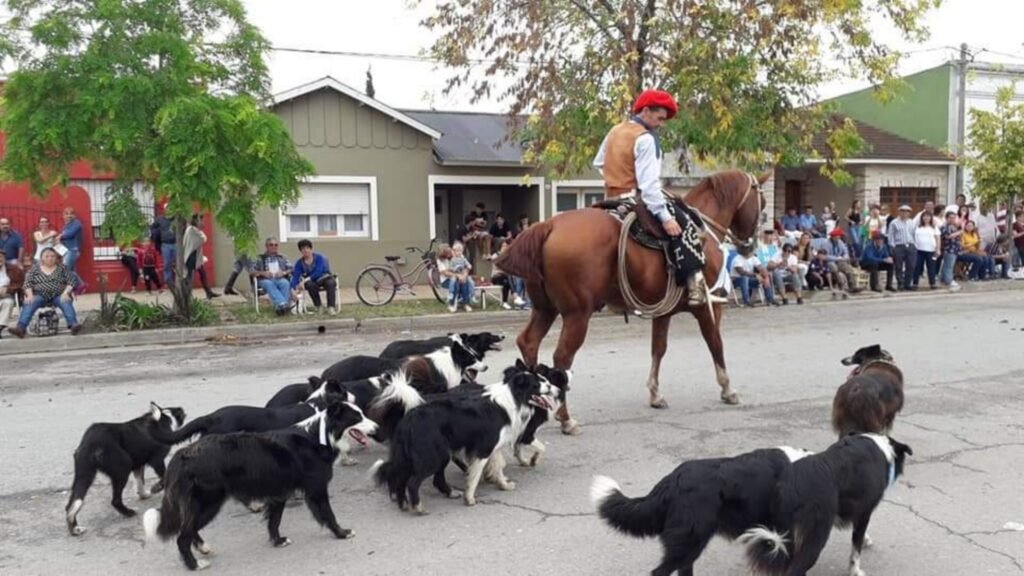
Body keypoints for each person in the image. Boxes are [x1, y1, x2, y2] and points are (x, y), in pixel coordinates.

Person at [592, 88, 723, 306]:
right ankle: (695, 287)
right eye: (660, 117)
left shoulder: (615, 130)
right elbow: (650, 186)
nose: (661, 123)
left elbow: (598, 163)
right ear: (645, 111)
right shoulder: (645, 139)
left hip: (610, 197)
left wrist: (617, 175)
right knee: (687, 224)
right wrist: (665, 217)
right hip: (635, 198)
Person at [6, 247, 82, 338]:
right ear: (41, 258)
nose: (50, 258)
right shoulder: (35, 269)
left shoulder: (62, 268)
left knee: (65, 301)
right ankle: (21, 328)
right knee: (30, 302)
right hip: (39, 295)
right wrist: (29, 294)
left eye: (52, 256)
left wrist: (66, 292)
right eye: (47, 256)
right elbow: (27, 284)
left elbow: (71, 282)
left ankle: (73, 325)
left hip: (58, 295)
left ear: (56, 258)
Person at [290, 239, 338, 314]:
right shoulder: (299, 263)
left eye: (307, 248)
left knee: (331, 283)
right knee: (309, 285)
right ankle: (319, 306)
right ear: (300, 251)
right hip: (313, 282)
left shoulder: (319, 258)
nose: (305, 250)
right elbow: (296, 276)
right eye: (303, 249)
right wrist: (292, 289)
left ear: (311, 249)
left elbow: (319, 272)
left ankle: (331, 307)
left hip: (324, 277)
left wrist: (305, 280)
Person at [253, 237, 295, 315]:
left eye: (276, 245)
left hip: (278, 278)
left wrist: (283, 273)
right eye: (271, 245)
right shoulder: (259, 258)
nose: (274, 247)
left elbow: (292, 269)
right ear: (266, 246)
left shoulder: (282, 257)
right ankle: (283, 304)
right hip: (264, 280)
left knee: (285, 283)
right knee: (269, 284)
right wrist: (263, 273)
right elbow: (252, 271)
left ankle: (280, 309)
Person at [182, 214, 220, 299]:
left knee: (202, 274)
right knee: (189, 277)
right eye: (201, 220)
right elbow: (202, 239)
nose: (202, 222)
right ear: (196, 221)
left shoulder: (194, 230)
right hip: (191, 257)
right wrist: (202, 234)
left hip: (196, 257)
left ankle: (208, 292)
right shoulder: (191, 230)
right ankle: (186, 296)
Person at [437, 243, 475, 313]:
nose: (450, 255)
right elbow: (445, 273)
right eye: (447, 254)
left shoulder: (457, 254)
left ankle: (466, 303)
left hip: (460, 276)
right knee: (456, 284)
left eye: (450, 252)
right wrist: (458, 276)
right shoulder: (440, 260)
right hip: (446, 280)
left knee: (465, 282)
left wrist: (464, 275)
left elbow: (466, 266)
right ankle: (451, 304)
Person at [886, 205, 916, 290]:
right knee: (898, 266)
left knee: (911, 265)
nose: (904, 213)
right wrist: (892, 247)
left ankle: (907, 283)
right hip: (899, 246)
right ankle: (900, 283)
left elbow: (914, 234)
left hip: (910, 245)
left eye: (907, 212)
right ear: (899, 212)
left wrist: (914, 245)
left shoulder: (912, 222)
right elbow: (890, 236)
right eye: (902, 211)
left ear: (909, 213)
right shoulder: (894, 222)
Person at [912, 210, 940, 289]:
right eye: (924, 216)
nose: (926, 218)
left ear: (931, 218)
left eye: (928, 216)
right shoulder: (918, 227)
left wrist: (938, 249)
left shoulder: (934, 227)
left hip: (931, 250)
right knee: (917, 267)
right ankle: (915, 283)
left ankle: (932, 283)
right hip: (919, 250)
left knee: (931, 267)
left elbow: (937, 238)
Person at [0, 249, 24, 338]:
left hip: (6, 295)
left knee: (8, 302)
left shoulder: (13, 269)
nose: (0, 259)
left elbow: (20, 283)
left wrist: (8, 289)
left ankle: (0, 326)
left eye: (1, 257)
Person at [59, 207, 84, 292]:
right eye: (66, 213)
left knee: (65, 269)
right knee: (71, 270)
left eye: (71, 213)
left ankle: (80, 285)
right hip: (66, 251)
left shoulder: (77, 223)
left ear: (75, 215)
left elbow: (70, 234)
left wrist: (61, 236)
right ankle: (76, 287)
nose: (69, 215)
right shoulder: (65, 226)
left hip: (73, 250)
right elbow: (63, 238)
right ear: (63, 215)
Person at [150, 212, 177, 286]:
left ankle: (178, 281)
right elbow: (152, 227)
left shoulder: (176, 218)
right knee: (167, 263)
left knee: (178, 263)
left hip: (176, 243)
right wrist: (155, 235)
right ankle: (168, 282)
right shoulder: (160, 219)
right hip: (165, 244)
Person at [940, 211, 963, 291]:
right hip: (949, 249)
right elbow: (947, 236)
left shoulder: (955, 227)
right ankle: (948, 280)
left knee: (948, 265)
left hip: (955, 249)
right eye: (950, 218)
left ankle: (943, 279)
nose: (952, 219)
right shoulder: (944, 226)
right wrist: (958, 233)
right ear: (947, 218)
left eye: (954, 218)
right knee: (949, 266)